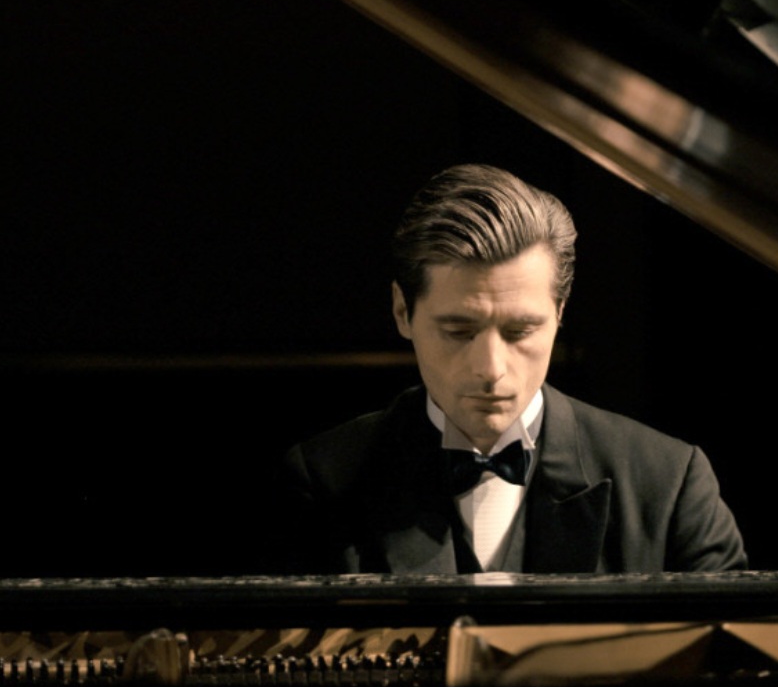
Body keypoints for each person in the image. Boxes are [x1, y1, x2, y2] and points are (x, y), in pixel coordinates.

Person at [282, 164, 746, 574]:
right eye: (459, 331)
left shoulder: (669, 480)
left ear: (560, 313)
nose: (491, 369)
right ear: (403, 311)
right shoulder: (322, 479)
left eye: (520, 331)